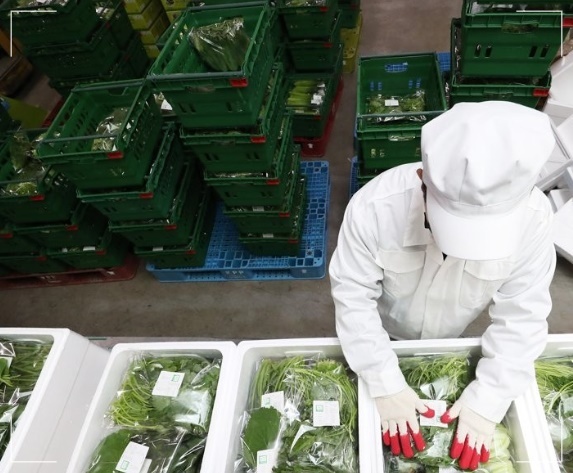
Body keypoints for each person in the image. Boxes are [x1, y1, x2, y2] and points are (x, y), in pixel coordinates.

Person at [329, 101, 557, 470]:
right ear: (422, 180)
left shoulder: (533, 221)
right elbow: (353, 297)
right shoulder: (374, 208)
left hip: (450, 335)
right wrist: (384, 381)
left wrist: (489, 399)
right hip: (381, 329)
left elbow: (523, 315)